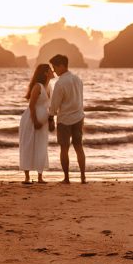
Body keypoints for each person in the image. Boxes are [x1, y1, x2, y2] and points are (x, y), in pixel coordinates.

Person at [47, 53, 86, 184]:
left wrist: (50, 118)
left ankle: (67, 178)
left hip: (64, 119)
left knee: (64, 149)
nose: (54, 70)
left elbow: (55, 104)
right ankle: (82, 177)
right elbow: (80, 98)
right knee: (79, 147)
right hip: (79, 116)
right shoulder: (78, 79)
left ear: (62, 66)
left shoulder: (60, 83)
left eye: (55, 67)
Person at [18, 63, 53, 184]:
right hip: (31, 119)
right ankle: (27, 177)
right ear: (45, 73)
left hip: (43, 120)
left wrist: (50, 120)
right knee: (28, 144)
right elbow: (31, 105)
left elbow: (49, 107)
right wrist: (35, 121)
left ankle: (40, 177)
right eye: (50, 70)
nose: (53, 71)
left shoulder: (49, 87)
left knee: (41, 145)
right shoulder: (38, 86)